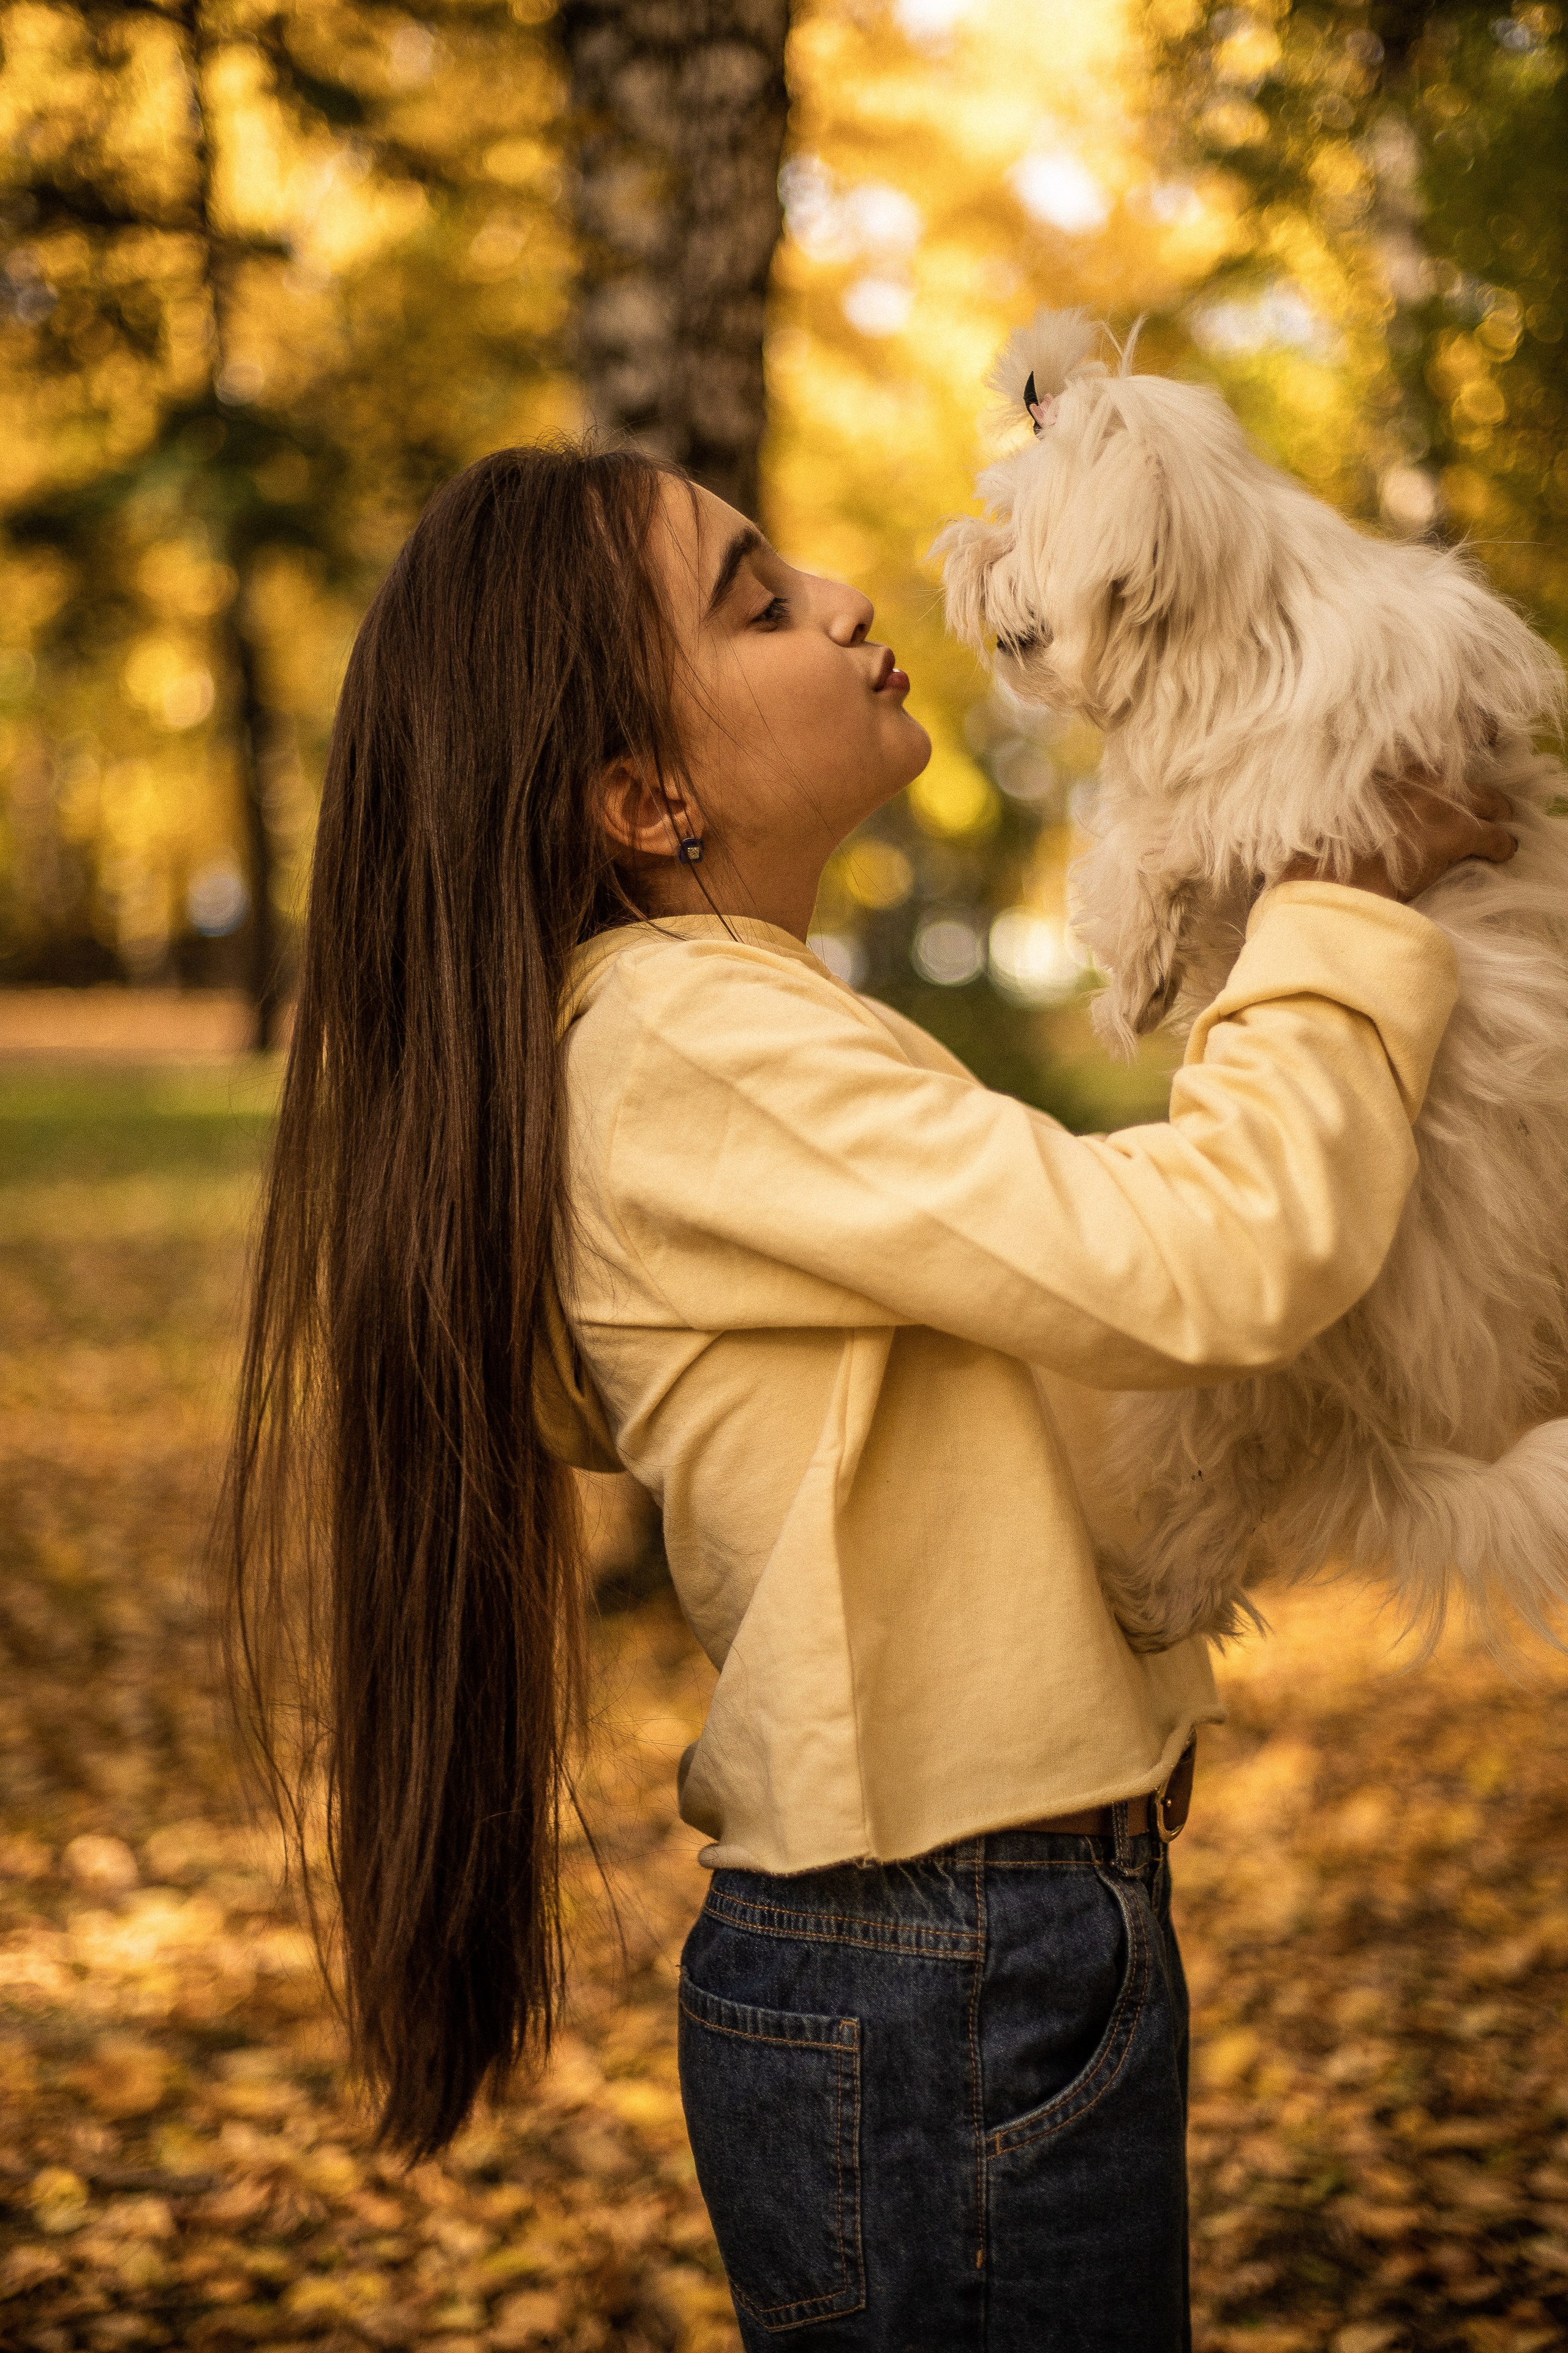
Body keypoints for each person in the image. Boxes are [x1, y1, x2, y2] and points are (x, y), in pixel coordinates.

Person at [227, 443, 1515, 2351]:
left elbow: (1042, 1335)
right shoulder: (687, 1040)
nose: (843, 596)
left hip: (963, 1944)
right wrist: (1336, 898)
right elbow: (1215, 1254)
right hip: (944, 1960)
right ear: (645, 797)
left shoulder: (716, 1034)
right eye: (757, 599)